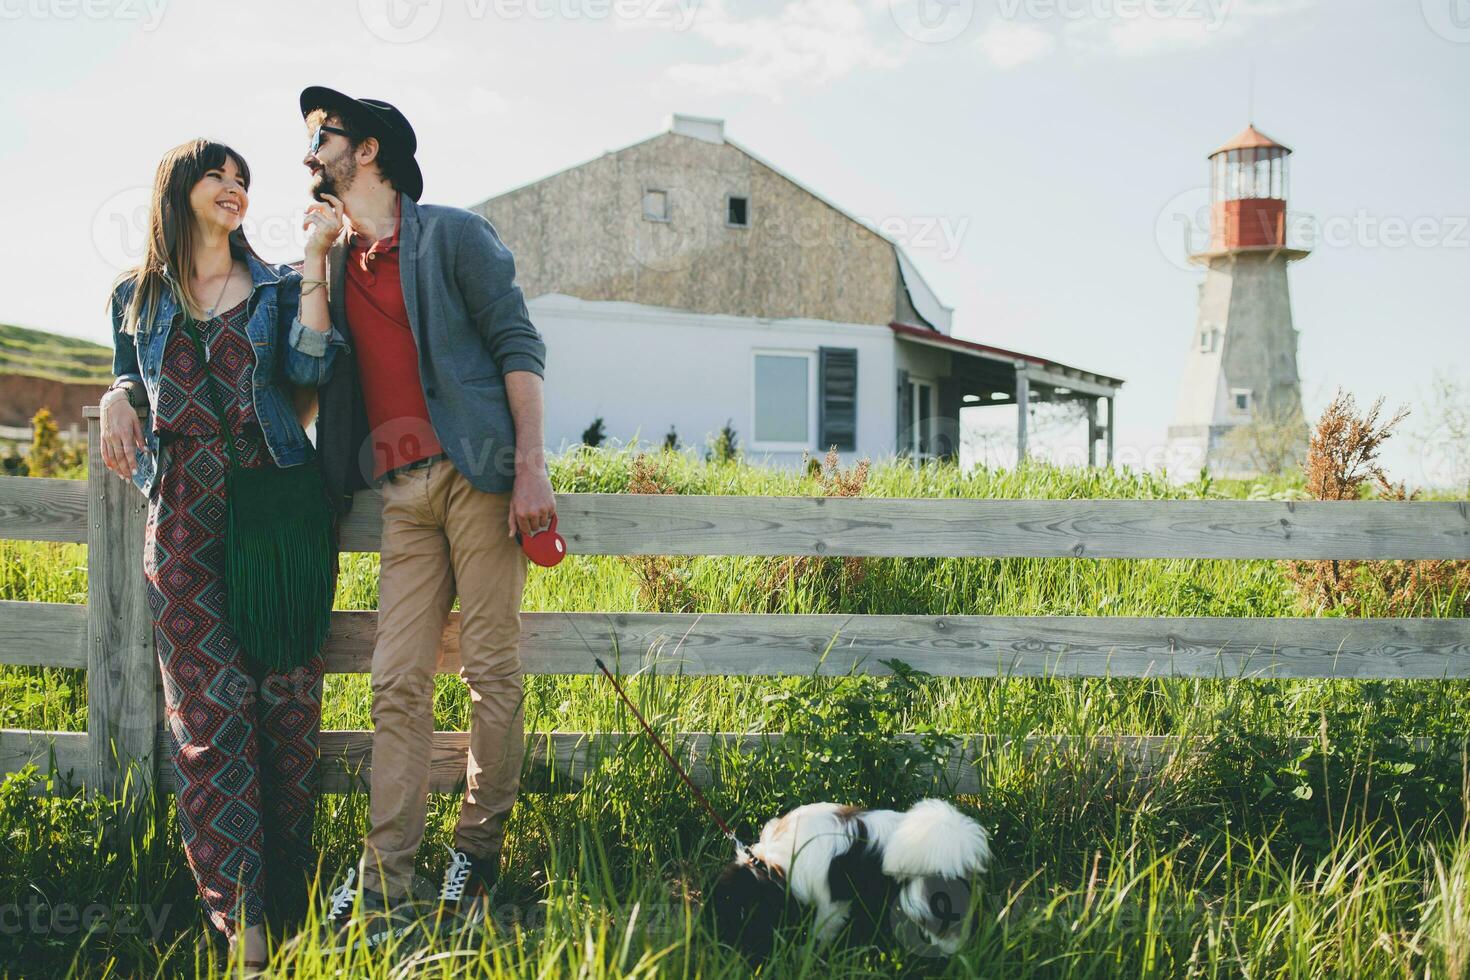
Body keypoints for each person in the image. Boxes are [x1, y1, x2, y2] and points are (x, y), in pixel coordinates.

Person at [297, 87, 554, 945]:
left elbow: (519, 344)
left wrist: (529, 470)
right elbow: (307, 372)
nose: (309, 149)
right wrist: (310, 261)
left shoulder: (452, 234)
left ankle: (475, 856)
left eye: (321, 134)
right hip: (402, 494)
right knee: (395, 682)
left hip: (479, 477)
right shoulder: (332, 262)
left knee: (490, 671)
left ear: (365, 151)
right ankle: (383, 879)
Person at [100, 138, 348, 967]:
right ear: (177, 189)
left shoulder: (277, 286)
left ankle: (292, 907)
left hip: (278, 514)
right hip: (180, 524)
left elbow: (310, 368)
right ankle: (244, 933)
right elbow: (133, 386)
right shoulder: (132, 299)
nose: (235, 186)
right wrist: (111, 397)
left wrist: (315, 261)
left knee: (284, 713)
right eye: (217, 174)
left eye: (242, 177)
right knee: (208, 724)